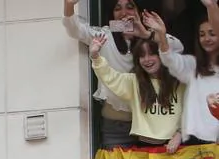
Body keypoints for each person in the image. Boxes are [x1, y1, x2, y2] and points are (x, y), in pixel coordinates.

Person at [63, 0, 171, 148]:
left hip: (150, 123)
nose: (124, 13)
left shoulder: (150, 37)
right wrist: (69, 5)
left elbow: (177, 47)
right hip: (116, 125)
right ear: (112, 14)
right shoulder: (104, 35)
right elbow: (74, 30)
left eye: (130, 7)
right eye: (117, 9)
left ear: (139, 12)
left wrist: (145, 33)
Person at [161, 1, 219, 145]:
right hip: (194, 141)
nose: (207, 39)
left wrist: (211, 7)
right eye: (202, 34)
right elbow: (169, 59)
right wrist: (161, 35)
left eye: (212, 34)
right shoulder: (193, 65)